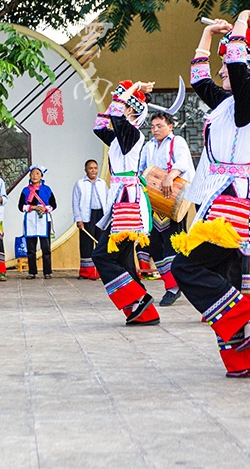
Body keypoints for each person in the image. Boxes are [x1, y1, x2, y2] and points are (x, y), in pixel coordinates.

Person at [170, 11, 250, 378]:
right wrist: (208, 35)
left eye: (227, 64)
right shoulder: (227, 105)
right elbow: (198, 80)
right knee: (222, 279)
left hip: (229, 205)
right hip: (219, 200)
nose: (222, 70)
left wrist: (241, 21)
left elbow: (238, 69)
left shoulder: (248, 104)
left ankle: (249, 313)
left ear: (248, 69)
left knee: (186, 268)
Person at [91, 80, 160, 326]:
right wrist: (119, 96)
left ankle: (139, 299)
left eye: (128, 107)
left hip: (127, 202)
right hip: (121, 199)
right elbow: (100, 127)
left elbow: (117, 116)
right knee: (121, 260)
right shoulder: (120, 139)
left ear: (135, 112)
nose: (122, 111)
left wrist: (134, 87)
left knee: (102, 256)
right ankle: (145, 313)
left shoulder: (132, 134)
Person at [139, 111, 195, 306]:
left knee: (173, 241)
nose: (155, 129)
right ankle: (173, 282)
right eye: (152, 126)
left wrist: (170, 176)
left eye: (159, 126)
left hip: (175, 198)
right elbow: (143, 169)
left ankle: (173, 287)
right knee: (154, 242)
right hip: (154, 199)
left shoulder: (177, 141)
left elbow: (183, 163)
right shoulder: (148, 146)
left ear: (170, 126)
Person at [72, 159, 109, 280]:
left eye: (95, 168)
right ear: (86, 170)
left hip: (101, 215)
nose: (93, 171)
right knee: (86, 244)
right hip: (86, 216)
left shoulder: (102, 183)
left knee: (101, 242)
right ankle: (86, 272)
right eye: (90, 168)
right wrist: (78, 219)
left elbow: (108, 200)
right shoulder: (80, 183)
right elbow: (75, 203)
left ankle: (101, 272)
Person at [19, 165, 57, 279]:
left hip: (44, 220)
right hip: (30, 220)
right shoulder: (25, 191)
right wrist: (33, 207)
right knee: (31, 248)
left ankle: (47, 271)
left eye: (37, 174)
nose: (35, 176)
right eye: (33, 174)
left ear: (41, 176)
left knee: (46, 247)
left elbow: (54, 204)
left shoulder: (47, 189)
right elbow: (21, 206)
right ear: (30, 176)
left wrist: (45, 209)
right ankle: (32, 271)